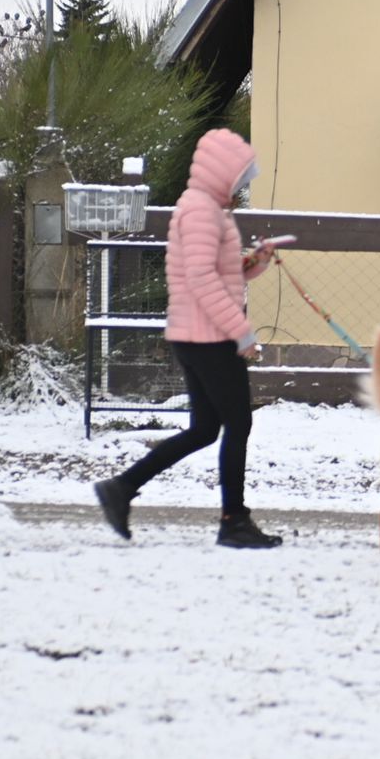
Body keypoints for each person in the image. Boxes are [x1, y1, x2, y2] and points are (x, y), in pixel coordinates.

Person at [93, 129, 287, 549]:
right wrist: (241, 332)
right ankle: (233, 522)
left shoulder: (207, 210)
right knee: (238, 423)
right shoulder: (201, 211)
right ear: (222, 174)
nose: (242, 188)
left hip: (198, 334)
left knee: (205, 429)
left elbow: (216, 272)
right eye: (240, 179)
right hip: (209, 337)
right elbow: (200, 279)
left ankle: (122, 488)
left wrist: (255, 262)